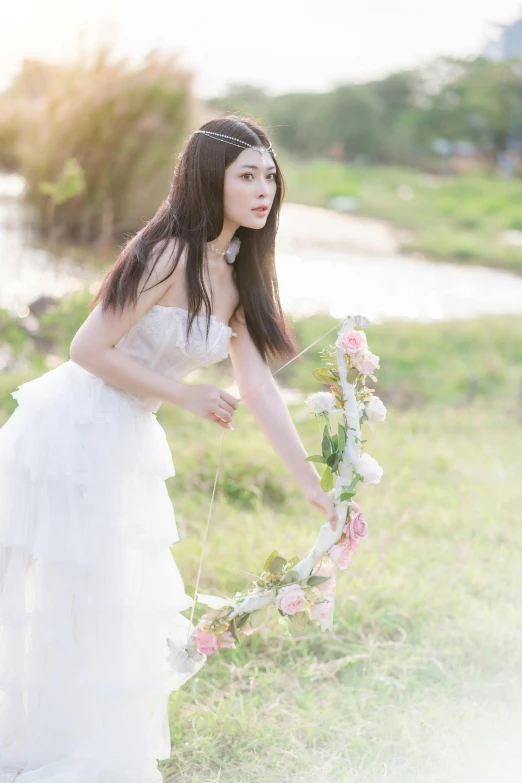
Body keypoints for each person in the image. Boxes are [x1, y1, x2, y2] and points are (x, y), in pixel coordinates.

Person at [0, 115, 347, 782]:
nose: (263, 187)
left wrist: (309, 479)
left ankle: (67, 733)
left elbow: (260, 390)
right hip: (69, 427)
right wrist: (183, 394)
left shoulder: (239, 273)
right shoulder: (165, 253)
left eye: (269, 174)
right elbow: (86, 349)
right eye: (247, 174)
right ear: (207, 179)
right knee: (26, 583)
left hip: (124, 436)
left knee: (100, 595)